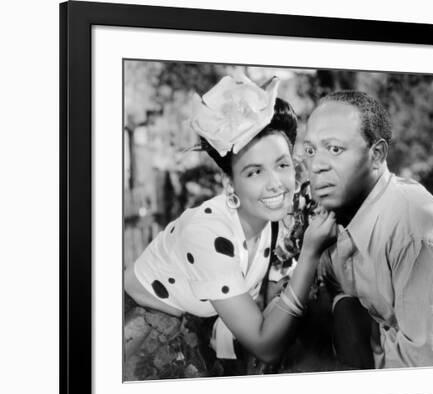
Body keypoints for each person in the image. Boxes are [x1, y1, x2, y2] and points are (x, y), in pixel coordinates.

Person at [125, 73, 336, 366]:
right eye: (254, 172)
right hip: (140, 337)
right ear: (229, 183)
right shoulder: (208, 234)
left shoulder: (270, 216)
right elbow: (266, 346)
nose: (275, 183)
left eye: (282, 165)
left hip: (198, 326)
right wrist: (310, 253)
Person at [302, 90, 433, 369]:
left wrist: (353, 339)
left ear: (377, 154)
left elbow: (422, 369)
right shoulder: (339, 218)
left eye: (334, 149)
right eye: (310, 150)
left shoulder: (417, 234)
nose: (317, 165)